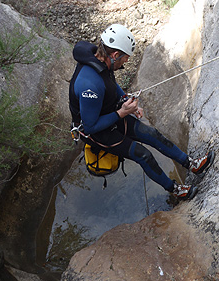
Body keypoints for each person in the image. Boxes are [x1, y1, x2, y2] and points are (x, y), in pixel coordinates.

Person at [69, 23, 215, 200]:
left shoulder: (101, 59)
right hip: (97, 131)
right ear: (115, 55)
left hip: (111, 115)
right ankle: (176, 190)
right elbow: (91, 127)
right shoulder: (89, 85)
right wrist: (122, 113)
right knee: (143, 155)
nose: (126, 62)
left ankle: (192, 164)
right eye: (125, 58)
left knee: (151, 134)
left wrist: (126, 99)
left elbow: (110, 83)